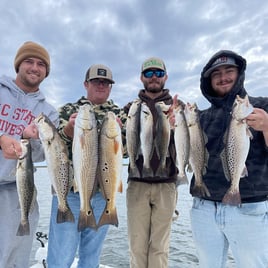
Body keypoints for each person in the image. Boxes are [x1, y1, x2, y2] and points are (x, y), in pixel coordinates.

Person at [189, 50, 268, 267]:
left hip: (249, 207)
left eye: (229, 71)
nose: (223, 77)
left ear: (239, 73)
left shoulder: (262, 107)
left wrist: (267, 126)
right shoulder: (200, 118)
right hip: (203, 207)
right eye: (217, 74)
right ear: (208, 80)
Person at [46, 64, 126, 268]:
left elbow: (128, 149)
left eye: (106, 82)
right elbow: (53, 147)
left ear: (111, 87)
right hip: (70, 193)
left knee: (91, 257)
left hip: (103, 195)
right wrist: (68, 131)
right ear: (85, 84)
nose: (101, 85)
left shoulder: (120, 114)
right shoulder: (67, 111)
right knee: (61, 254)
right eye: (96, 81)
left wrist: (119, 135)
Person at [0, 41, 58, 268]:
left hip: (19, 190)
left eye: (41, 64)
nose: (35, 67)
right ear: (18, 65)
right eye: (29, 61)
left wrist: (33, 140)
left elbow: (45, 156)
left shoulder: (48, 112)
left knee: (14, 259)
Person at [123, 57, 178, 268]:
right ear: (141, 78)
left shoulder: (176, 106)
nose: (153, 77)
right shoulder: (131, 108)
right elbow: (120, 145)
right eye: (148, 73)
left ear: (165, 76)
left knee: (160, 247)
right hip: (137, 184)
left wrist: (178, 125)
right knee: (137, 246)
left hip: (167, 185)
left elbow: (188, 143)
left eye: (157, 73)